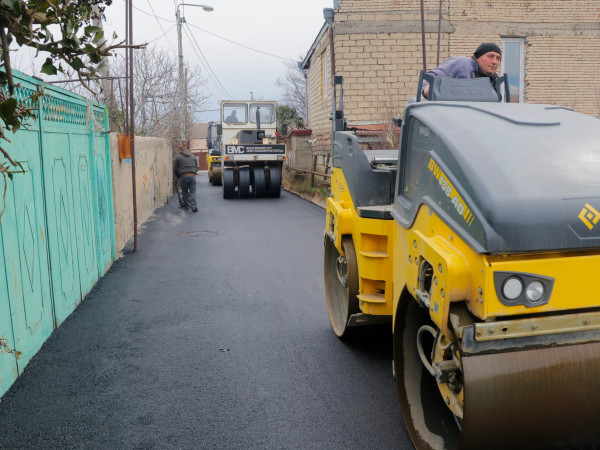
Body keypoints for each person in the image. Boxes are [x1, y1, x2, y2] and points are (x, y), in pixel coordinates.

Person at [422, 42, 502, 99]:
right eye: (490, 56)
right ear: (478, 57)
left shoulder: (495, 82)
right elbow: (428, 77)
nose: (495, 62)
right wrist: (427, 89)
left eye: (498, 59)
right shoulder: (463, 64)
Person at [174, 146, 199, 212]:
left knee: (184, 191)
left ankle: (186, 206)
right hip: (192, 176)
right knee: (193, 191)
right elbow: (197, 166)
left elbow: (175, 168)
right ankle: (194, 206)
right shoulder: (193, 157)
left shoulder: (178, 157)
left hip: (183, 176)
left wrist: (178, 176)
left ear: (181, 151)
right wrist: (194, 173)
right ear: (188, 151)